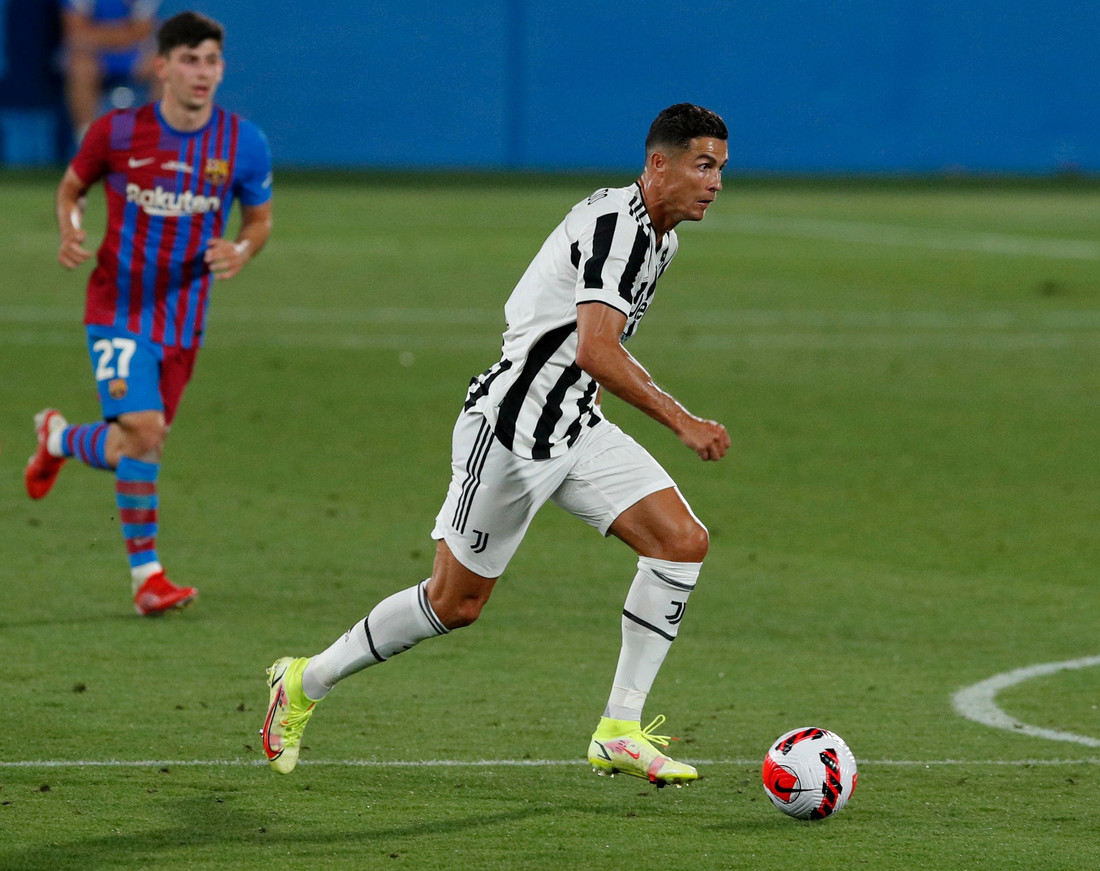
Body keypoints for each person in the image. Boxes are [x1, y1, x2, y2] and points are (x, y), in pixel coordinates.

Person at [261, 103, 730, 787]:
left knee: (681, 541)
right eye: (703, 165)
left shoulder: (661, 238)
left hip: (574, 424)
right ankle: (306, 679)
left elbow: (580, 342)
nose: (715, 181)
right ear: (659, 164)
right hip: (510, 431)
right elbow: (598, 349)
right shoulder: (616, 229)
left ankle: (619, 727)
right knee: (455, 603)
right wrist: (681, 418)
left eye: (720, 167)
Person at [26, 10, 273, 616]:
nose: (202, 72)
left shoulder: (243, 143)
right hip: (117, 306)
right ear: (161, 67)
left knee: (139, 444)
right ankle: (148, 579)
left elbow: (259, 220)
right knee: (143, 429)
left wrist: (239, 249)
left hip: (184, 320)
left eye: (211, 60)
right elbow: (71, 188)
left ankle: (57, 437)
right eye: (189, 59)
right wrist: (71, 230)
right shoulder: (116, 132)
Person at [60, 1, 163, 142]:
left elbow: (141, 32)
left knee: (165, 66)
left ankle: (155, 139)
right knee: (80, 67)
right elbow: (76, 32)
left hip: (133, 54)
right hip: (93, 54)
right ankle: (88, 140)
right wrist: (123, 34)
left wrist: (96, 33)